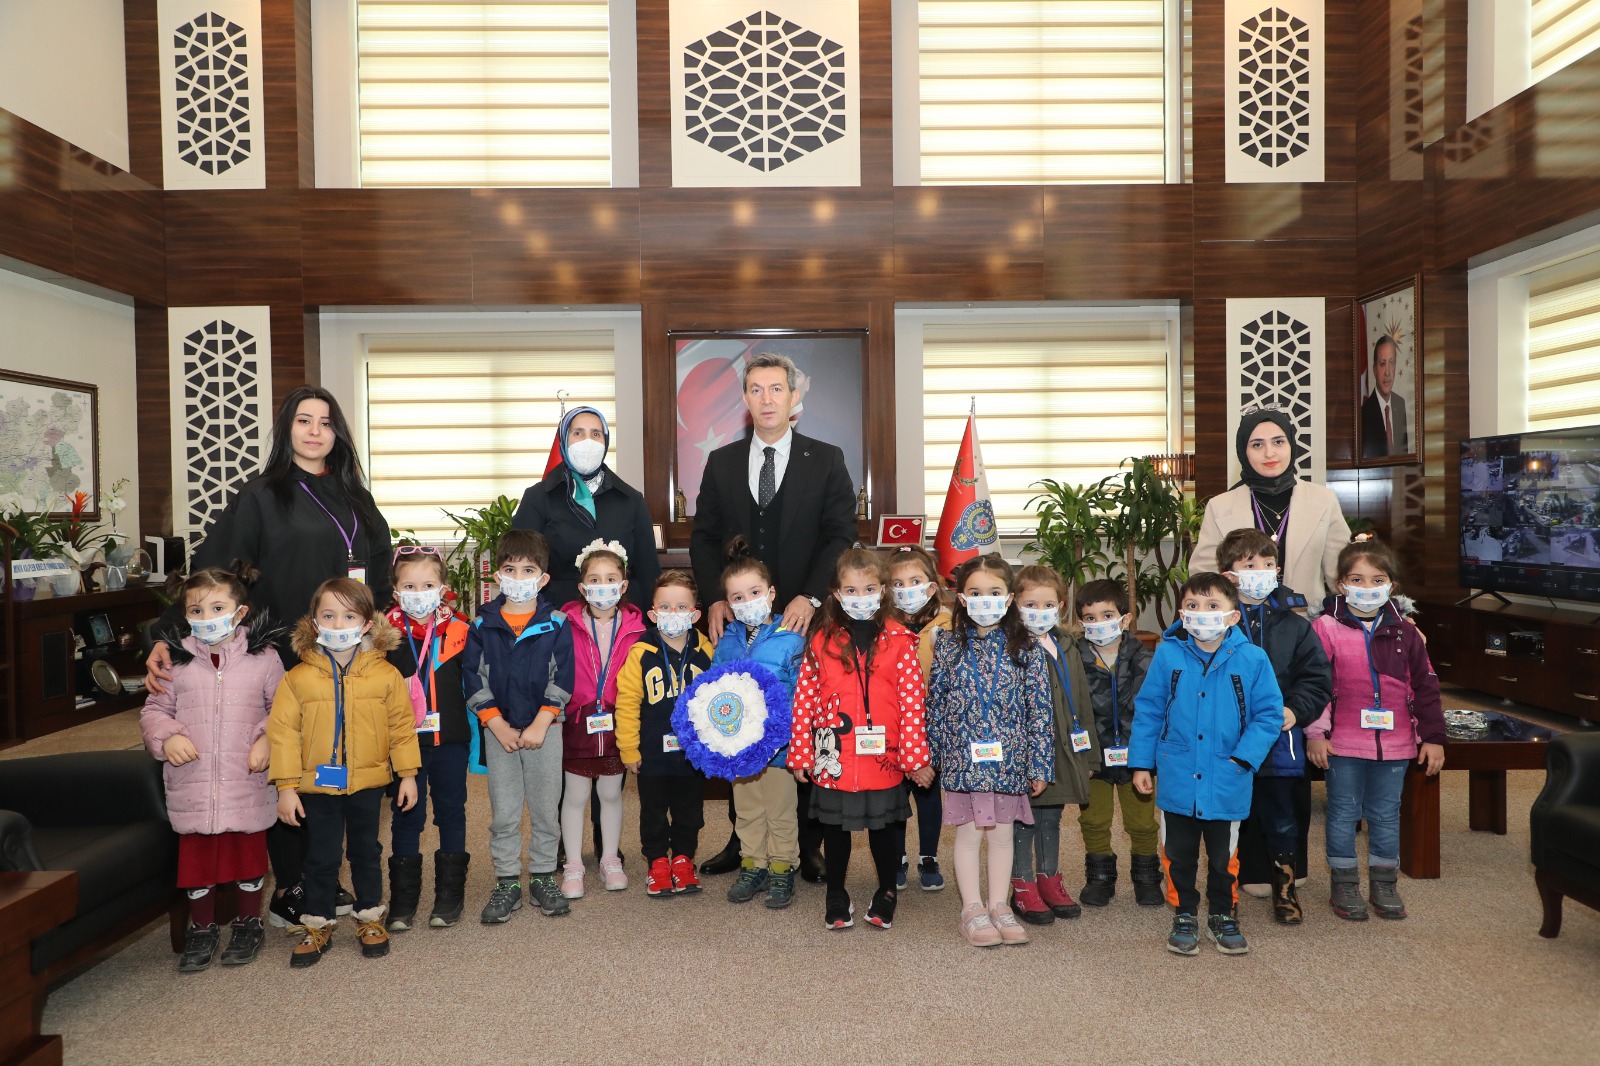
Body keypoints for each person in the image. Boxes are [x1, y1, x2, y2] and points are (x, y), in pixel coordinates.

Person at [145, 384, 393, 929]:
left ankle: (322, 871)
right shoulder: (261, 495)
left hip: (348, 652)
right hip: (283, 652)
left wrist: (381, 626)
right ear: (286, 430)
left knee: (339, 757)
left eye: (325, 422)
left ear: (338, 434)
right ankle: (294, 883)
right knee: (287, 763)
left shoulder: (356, 495)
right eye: (303, 420)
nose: (314, 431)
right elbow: (216, 573)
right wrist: (166, 636)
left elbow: (378, 568)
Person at [690, 352, 856, 879]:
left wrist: (809, 595)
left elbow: (839, 534)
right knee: (738, 719)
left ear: (794, 398)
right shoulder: (720, 462)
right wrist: (717, 596)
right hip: (740, 624)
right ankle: (745, 844)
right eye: (756, 389)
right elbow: (704, 537)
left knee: (799, 726)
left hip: (804, 621)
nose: (766, 399)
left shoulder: (826, 459)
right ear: (744, 399)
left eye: (776, 389)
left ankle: (803, 843)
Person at [267, 579, 421, 968]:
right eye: (329, 615)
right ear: (314, 622)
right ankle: (318, 922)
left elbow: (401, 728)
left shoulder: (385, 675)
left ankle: (370, 917)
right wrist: (286, 787)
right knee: (321, 855)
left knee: (366, 852)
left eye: (349, 616)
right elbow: (283, 735)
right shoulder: (297, 677)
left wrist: (407, 774)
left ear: (367, 623)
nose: (339, 624)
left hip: (368, 783)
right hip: (317, 786)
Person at [1128, 573, 1283, 957]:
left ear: (1232, 616)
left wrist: (1243, 757)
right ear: (1182, 613)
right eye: (1193, 606)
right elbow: (1149, 710)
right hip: (1178, 772)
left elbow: (1268, 714)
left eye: (1213, 606)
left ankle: (1222, 913)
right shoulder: (1168, 654)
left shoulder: (1252, 658)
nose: (1202, 614)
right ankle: (1184, 913)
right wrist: (1141, 763)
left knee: (1222, 856)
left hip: (1228, 775)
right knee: (1178, 852)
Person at [140, 563, 284, 972]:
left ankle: (248, 921)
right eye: (196, 610)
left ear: (240, 613)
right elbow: (154, 709)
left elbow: (284, 709)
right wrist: (167, 736)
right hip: (194, 782)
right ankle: (202, 927)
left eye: (217, 608)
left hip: (246, 780)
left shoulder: (265, 659)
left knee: (247, 856)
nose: (206, 618)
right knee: (198, 861)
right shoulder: (177, 660)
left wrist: (267, 739)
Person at [788, 548, 932, 931]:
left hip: (884, 755)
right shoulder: (821, 640)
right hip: (833, 752)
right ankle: (836, 891)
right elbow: (805, 697)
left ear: (883, 590)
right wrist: (801, 753)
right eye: (851, 590)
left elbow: (912, 702)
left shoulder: (902, 640)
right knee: (835, 830)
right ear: (836, 593)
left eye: (869, 588)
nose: (861, 596)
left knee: (884, 828)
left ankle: (887, 890)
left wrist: (915, 758)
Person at [1306, 538, 1444, 922]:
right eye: (1357, 579)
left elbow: (1426, 685)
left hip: (1397, 743)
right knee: (1343, 812)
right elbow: (1317, 685)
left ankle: (1384, 883)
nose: (1367, 589)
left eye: (1377, 579)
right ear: (1340, 585)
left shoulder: (1407, 632)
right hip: (1344, 743)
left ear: (1392, 585)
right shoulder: (1325, 627)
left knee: (1385, 813)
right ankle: (1344, 882)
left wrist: (1431, 737)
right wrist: (1317, 733)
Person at [924, 553, 1054, 948]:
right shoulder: (947, 645)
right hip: (963, 762)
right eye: (975, 592)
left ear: (1010, 597)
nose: (985, 600)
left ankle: (999, 905)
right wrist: (931, 757)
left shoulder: (1027, 647)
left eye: (994, 592)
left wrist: (1040, 765)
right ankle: (972, 909)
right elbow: (937, 705)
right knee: (968, 836)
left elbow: (1040, 710)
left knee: (1001, 835)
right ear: (961, 598)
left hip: (1010, 761)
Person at [1217, 528, 1333, 925]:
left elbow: (1316, 678)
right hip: (1226, 740)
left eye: (1268, 565)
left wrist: (1296, 711)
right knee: (1229, 815)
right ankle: (1227, 890)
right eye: (1250, 565)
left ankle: (1285, 889)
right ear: (1228, 574)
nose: (1261, 572)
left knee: (1282, 813)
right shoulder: (1214, 625)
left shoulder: (1295, 625)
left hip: (1280, 741)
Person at [463, 529, 576, 924]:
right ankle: (507, 880)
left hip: (547, 730)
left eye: (528, 569)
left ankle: (543, 875)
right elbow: (472, 680)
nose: (518, 575)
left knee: (546, 808)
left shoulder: (557, 623)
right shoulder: (482, 625)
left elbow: (564, 678)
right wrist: (496, 725)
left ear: (543, 578)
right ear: (497, 575)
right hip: (501, 734)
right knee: (505, 811)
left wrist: (544, 721)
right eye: (510, 568)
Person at [381, 545, 472, 932]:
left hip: (451, 738)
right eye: (410, 585)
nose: (419, 591)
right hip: (404, 743)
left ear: (443, 588)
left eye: (428, 584)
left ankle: (450, 892)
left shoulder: (462, 630)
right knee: (407, 815)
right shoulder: (381, 636)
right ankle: (403, 898)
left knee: (451, 810)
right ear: (396, 592)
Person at [713, 537, 806, 909]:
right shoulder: (727, 641)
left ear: (770, 593)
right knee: (748, 809)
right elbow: (714, 693)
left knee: (781, 810)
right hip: (740, 747)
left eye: (754, 592)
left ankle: (783, 867)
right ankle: (753, 864)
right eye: (737, 597)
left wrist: (799, 741)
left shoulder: (792, 637)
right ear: (729, 605)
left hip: (780, 746)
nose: (747, 601)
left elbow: (803, 692)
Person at [1007, 565, 1100, 925]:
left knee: (1052, 817)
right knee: (1023, 819)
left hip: (1064, 747)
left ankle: (1049, 878)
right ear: (1015, 603)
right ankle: (1022, 883)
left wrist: (1087, 753)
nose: (1040, 611)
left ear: (1061, 606)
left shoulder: (1066, 644)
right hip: (1028, 750)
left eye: (1048, 604)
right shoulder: (1012, 645)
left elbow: (1082, 700)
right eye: (1031, 603)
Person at [615, 570, 716, 897]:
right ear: (653, 613)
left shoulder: (707, 652)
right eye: (666, 607)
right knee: (653, 812)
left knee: (690, 812)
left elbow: (720, 703)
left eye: (682, 607)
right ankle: (657, 861)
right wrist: (629, 749)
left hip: (693, 755)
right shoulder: (640, 652)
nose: (674, 614)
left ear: (695, 614)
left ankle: (684, 859)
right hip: (652, 755)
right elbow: (627, 702)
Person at [1191, 409, 1351, 609]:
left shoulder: (1323, 500)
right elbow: (1204, 577)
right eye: (1257, 444)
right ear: (1243, 451)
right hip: (1239, 626)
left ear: (1291, 445)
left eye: (1278, 442)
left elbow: (1342, 575)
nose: (1269, 453)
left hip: (1304, 624)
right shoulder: (1220, 506)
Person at [559, 539, 645, 898]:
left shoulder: (639, 629)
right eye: (594, 579)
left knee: (611, 792)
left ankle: (610, 858)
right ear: (582, 587)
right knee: (575, 795)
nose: (602, 586)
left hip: (617, 720)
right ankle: (574, 864)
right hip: (578, 719)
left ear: (624, 585)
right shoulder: (564, 623)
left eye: (611, 578)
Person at [512, 405, 660, 610]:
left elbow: (648, 571)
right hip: (555, 618)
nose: (588, 442)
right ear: (564, 439)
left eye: (596, 434)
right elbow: (520, 566)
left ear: (605, 441)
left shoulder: (631, 500)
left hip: (620, 619)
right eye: (578, 433)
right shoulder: (538, 497)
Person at [1074, 578, 1159, 908]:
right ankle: (1099, 877)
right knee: (1093, 820)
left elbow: (1156, 711)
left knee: (1141, 821)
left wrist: (1148, 759)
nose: (1098, 623)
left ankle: (1146, 876)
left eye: (1106, 615)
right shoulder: (1074, 660)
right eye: (1090, 618)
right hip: (1092, 755)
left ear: (1125, 619)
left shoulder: (1148, 659)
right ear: (1081, 623)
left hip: (1137, 756)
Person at [887, 545, 946, 891]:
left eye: (915, 580)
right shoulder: (884, 625)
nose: (907, 588)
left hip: (932, 724)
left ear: (931, 586)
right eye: (898, 582)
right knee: (895, 795)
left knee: (927, 793)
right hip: (893, 724)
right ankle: (897, 856)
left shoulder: (950, 623)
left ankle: (928, 856)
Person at [1360, 337, 1409, 459]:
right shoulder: (1364, 414)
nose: (1387, 372)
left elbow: (1404, 457)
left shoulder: (1400, 404)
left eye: (1391, 363)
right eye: (1383, 363)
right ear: (1375, 370)